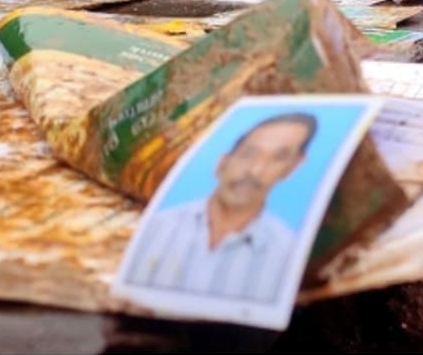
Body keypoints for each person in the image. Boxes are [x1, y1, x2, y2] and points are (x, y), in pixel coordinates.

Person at [123, 112, 318, 303]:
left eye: (278, 158)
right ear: (223, 162)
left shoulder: (288, 255)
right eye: (248, 154)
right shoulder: (155, 228)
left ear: (293, 167)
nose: (254, 171)